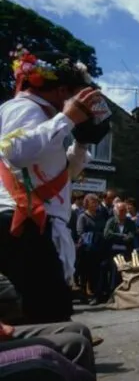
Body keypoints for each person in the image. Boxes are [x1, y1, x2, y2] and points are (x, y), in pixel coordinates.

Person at [0, 46, 106, 324]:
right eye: (79, 95)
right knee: (45, 315)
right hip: (22, 222)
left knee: (50, 312)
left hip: (39, 225)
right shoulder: (24, 108)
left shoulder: (49, 119)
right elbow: (16, 152)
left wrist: (81, 142)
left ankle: (58, 346)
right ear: (62, 91)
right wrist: (68, 117)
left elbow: (65, 174)